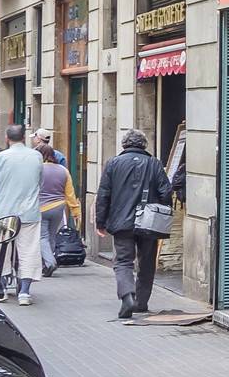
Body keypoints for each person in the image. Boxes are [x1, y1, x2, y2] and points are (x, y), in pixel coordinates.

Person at [96, 129, 172, 320]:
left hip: (121, 222)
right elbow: (166, 192)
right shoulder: (154, 163)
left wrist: (100, 221)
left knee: (123, 261)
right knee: (146, 263)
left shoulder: (113, 164)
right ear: (144, 145)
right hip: (149, 222)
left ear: (124, 144)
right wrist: (162, 210)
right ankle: (141, 302)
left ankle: (127, 296)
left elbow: (103, 195)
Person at [0, 125, 44, 306]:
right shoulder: (36, 156)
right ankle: (24, 292)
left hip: (5, 211)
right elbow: (40, 181)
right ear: (24, 137)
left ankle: (0, 288)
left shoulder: (0, 158)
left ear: (7, 138)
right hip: (29, 211)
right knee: (29, 250)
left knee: (1, 250)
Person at [37, 140, 79, 278]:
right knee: (52, 235)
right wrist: (75, 211)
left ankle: (49, 263)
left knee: (42, 237)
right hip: (58, 207)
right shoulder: (63, 170)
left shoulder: (38, 169)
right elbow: (70, 194)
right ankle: (47, 263)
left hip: (41, 207)